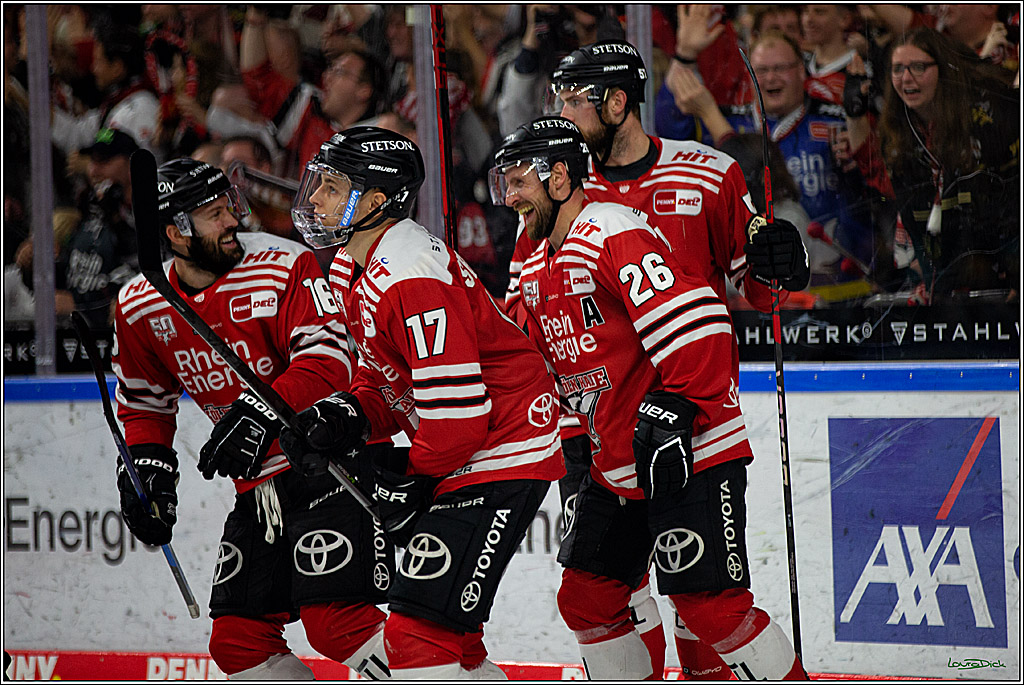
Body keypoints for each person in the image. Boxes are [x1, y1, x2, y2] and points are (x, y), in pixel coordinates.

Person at [489, 116, 807, 681]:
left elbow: (703, 320)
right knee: (586, 598)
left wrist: (677, 406)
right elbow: (519, 348)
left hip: (693, 451)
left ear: (560, 177)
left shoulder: (610, 230)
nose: (509, 198)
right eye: (504, 183)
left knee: (710, 607)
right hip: (618, 465)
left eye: (519, 183)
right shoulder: (537, 260)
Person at [280, 127, 564, 679]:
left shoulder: (409, 274)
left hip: (502, 447)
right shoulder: (350, 265)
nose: (314, 199)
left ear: (377, 201)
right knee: (454, 640)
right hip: (468, 448)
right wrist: (344, 415)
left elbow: (457, 419)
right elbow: (386, 379)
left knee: (416, 633)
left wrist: (406, 479)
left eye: (332, 188)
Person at [111, 157, 393, 679]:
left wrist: (264, 408)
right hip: (257, 491)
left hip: (330, 463)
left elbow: (329, 360)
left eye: (229, 207)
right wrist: (145, 467)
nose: (232, 222)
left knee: (337, 622)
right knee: (238, 641)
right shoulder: (140, 306)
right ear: (175, 232)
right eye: (214, 215)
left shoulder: (285, 264)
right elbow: (145, 404)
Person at [659, 31, 872, 297]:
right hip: (752, 281)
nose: (771, 77)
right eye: (762, 69)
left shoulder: (835, 121)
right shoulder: (729, 120)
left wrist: (857, 135)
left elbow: (870, 186)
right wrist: (685, 53)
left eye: (781, 68)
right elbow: (666, 134)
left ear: (803, 72)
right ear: (749, 76)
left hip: (833, 281)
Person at [874, 27, 1018, 300]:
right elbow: (916, 226)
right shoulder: (895, 134)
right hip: (952, 275)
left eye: (918, 67)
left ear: (943, 69)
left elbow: (1013, 204)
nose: (906, 78)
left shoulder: (987, 117)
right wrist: (932, 285)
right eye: (897, 69)